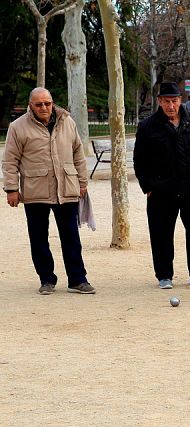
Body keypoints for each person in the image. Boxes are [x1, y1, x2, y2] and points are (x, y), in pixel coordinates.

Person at [2, 87, 95, 295]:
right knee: (38, 238)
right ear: (30, 105)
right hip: (36, 191)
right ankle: (46, 279)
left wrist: (82, 182)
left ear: (52, 102)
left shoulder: (67, 122)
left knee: (71, 237)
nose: (44, 107)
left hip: (66, 189)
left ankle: (78, 279)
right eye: (39, 104)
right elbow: (10, 160)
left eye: (47, 103)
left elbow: (78, 153)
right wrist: (11, 189)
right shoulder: (17, 127)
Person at [133, 81, 190, 290]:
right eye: (166, 101)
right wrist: (147, 186)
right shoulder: (147, 126)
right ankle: (164, 275)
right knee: (161, 234)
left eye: (174, 101)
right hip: (161, 190)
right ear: (159, 101)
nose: (171, 105)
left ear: (180, 101)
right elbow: (140, 160)